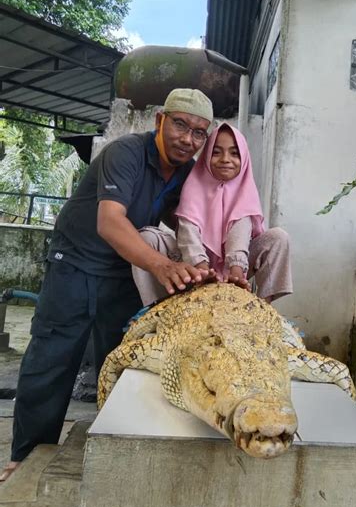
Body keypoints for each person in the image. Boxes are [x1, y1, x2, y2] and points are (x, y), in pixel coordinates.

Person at [0, 88, 214, 483]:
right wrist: (164, 266)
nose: (188, 138)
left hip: (123, 270)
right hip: (76, 262)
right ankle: (25, 458)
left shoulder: (187, 173)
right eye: (181, 125)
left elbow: (191, 223)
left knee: (121, 360)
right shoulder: (126, 153)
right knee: (53, 357)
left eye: (200, 132)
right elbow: (110, 222)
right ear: (160, 121)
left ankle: (111, 447)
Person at [132, 123, 293, 305]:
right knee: (147, 238)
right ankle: (159, 307)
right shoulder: (194, 185)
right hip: (191, 265)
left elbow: (239, 233)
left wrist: (236, 270)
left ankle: (260, 307)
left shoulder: (245, 189)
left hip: (233, 267)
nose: (225, 159)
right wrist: (201, 269)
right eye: (216, 152)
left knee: (278, 238)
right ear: (206, 156)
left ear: (245, 158)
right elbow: (187, 232)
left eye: (234, 153)